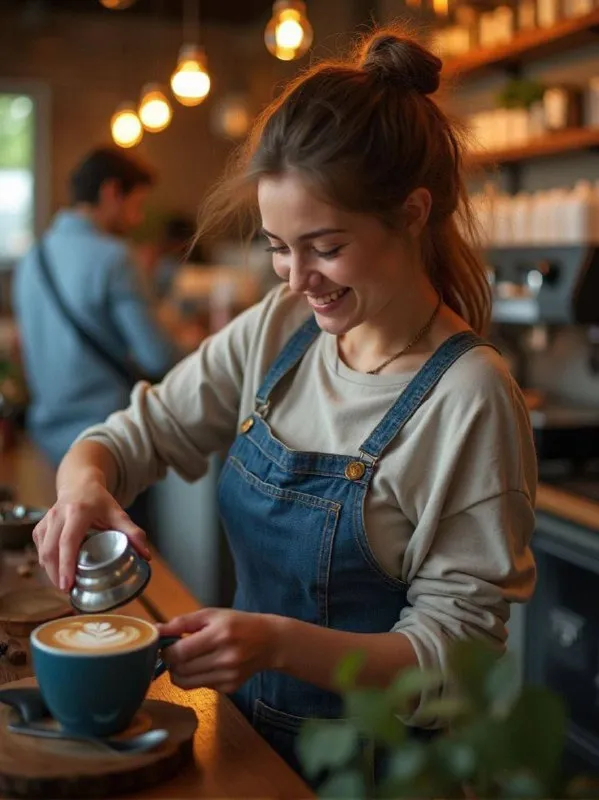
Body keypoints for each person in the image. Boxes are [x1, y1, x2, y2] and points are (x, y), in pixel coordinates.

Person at [33, 29, 537, 783]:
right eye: (277, 246)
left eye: (324, 246)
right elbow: (137, 432)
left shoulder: (466, 396)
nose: (297, 277)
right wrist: (82, 487)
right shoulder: (282, 328)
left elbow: (453, 666)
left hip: (377, 771)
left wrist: (275, 645)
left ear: (410, 213)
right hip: (249, 741)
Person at [12, 147, 178, 467]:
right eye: (137, 205)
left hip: (45, 440)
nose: (138, 218)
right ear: (112, 192)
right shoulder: (114, 256)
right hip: (106, 438)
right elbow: (158, 358)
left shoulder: (33, 258)